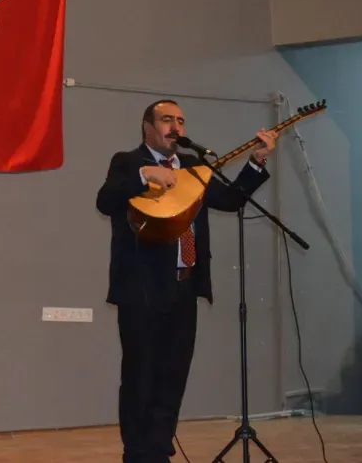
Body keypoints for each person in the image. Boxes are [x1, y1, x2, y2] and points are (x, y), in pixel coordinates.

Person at [95, 99, 277, 463]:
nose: (175, 126)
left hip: (185, 284)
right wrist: (146, 176)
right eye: (167, 119)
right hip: (141, 289)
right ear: (147, 126)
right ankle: (137, 452)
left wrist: (256, 162)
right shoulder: (128, 162)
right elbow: (106, 201)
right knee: (140, 373)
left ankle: (159, 448)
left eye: (180, 120)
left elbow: (230, 200)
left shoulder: (194, 166)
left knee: (173, 374)